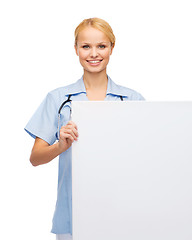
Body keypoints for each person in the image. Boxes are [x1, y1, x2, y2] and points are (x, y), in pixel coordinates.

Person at [25, 17, 145, 240]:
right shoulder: (58, 99)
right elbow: (35, 158)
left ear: (112, 47)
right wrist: (60, 146)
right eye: (86, 46)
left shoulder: (132, 99)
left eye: (101, 46)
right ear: (76, 49)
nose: (94, 54)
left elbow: (148, 157)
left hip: (122, 211)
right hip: (71, 213)